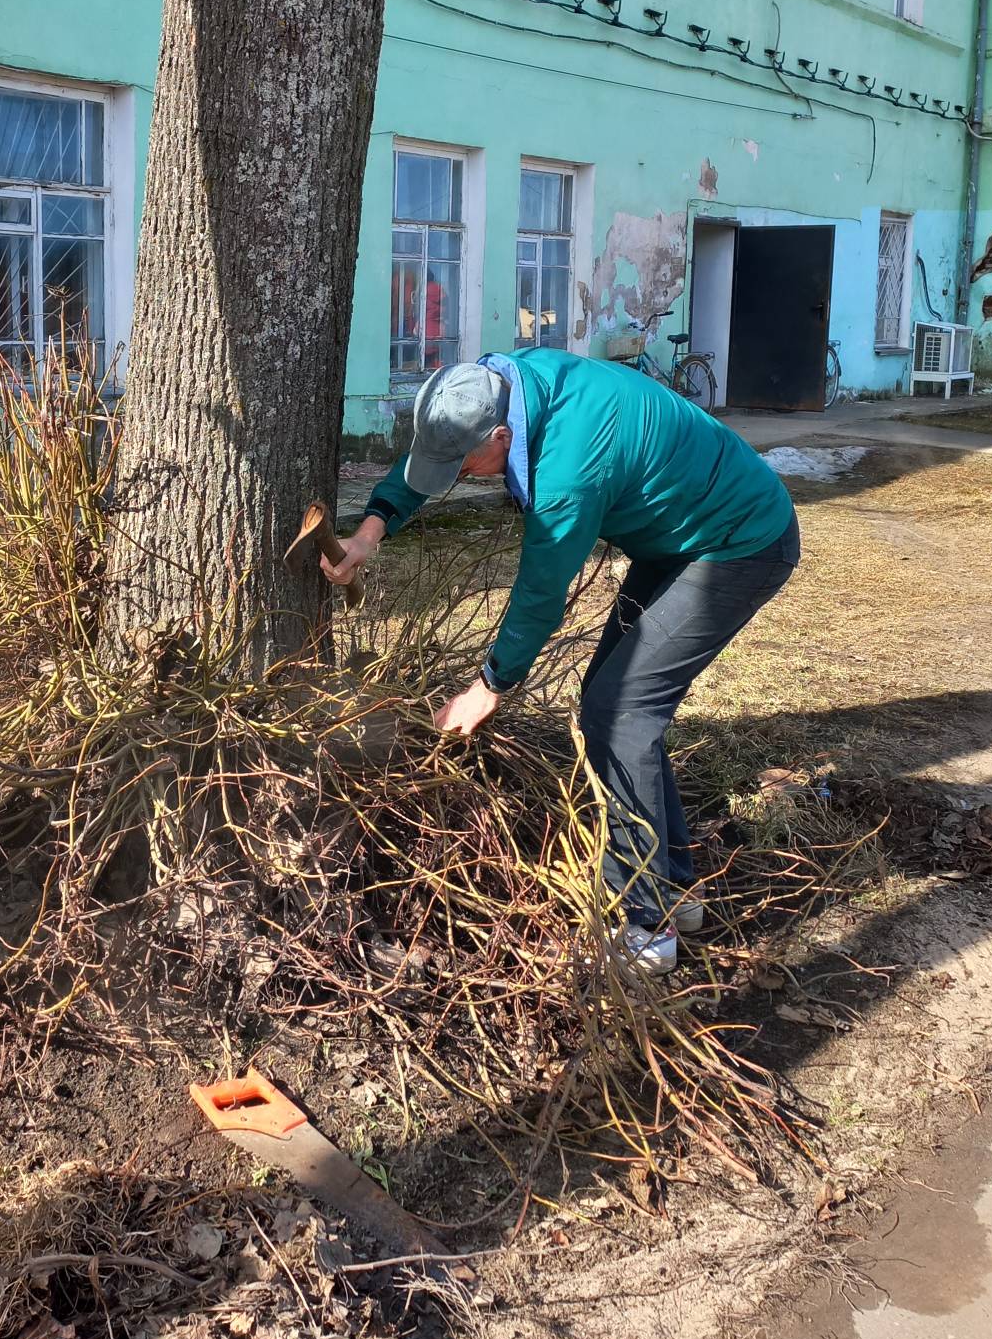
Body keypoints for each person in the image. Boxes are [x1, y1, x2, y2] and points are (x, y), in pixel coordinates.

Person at [323, 349, 799, 973]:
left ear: (501, 435)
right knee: (613, 713)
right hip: (678, 539)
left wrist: (490, 684)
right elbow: (430, 461)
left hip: (739, 542)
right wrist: (372, 527)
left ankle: (648, 926)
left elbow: (541, 590)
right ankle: (674, 889)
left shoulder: (571, 466)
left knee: (621, 715)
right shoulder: (504, 383)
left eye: (468, 465)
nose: (464, 477)